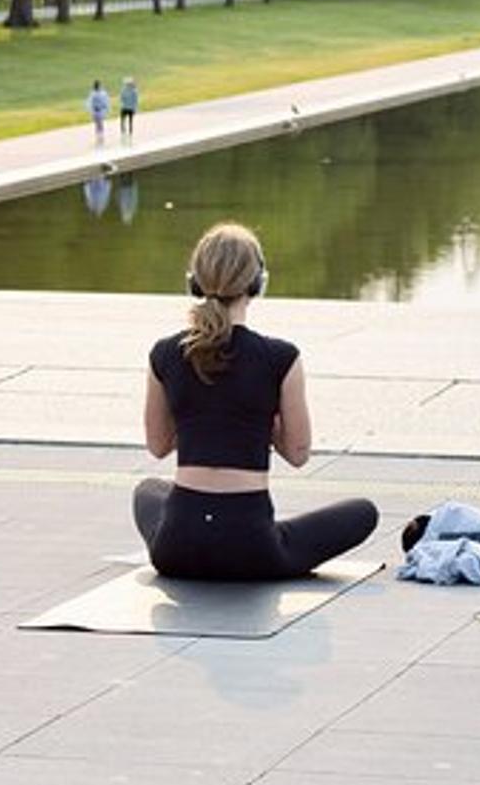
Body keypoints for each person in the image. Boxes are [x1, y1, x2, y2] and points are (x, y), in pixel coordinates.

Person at [131, 223, 377, 580]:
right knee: (363, 512)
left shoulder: (165, 353)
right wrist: (263, 424)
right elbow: (297, 453)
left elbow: (158, 446)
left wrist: (200, 417)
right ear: (258, 283)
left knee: (148, 490)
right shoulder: (281, 357)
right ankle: (266, 533)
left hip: (178, 548)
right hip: (251, 549)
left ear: (194, 282)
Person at [86, 80, 111, 146]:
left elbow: (106, 101)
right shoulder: (93, 94)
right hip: (95, 111)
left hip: (100, 110)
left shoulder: (103, 93)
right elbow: (89, 102)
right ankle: (98, 136)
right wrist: (90, 110)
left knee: (100, 123)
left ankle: (101, 136)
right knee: (97, 124)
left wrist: (107, 109)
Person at [118, 76, 140, 142]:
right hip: (130, 108)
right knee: (130, 121)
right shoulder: (134, 91)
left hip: (125, 107)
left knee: (123, 120)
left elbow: (121, 98)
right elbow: (135, 101)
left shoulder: (124, 90)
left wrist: (123, 103)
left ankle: (123, 131)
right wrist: (135, 109)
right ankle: (129, 131)